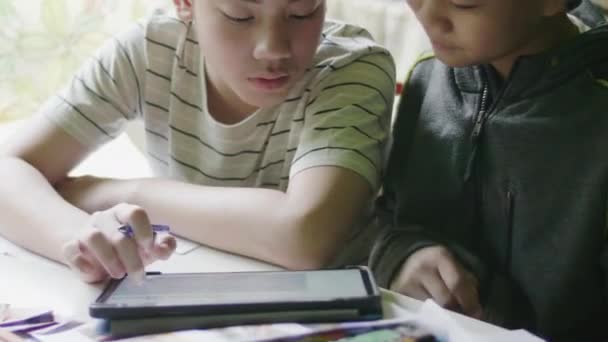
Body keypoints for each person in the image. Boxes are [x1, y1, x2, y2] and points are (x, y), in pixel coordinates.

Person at [0, 0, 395, 285]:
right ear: (184, 4)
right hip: (201, 292)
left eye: (302, 12)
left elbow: (305, 237)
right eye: (240, 15)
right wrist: (80, 239)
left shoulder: (351, 68)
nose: (274, 48)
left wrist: (117, 193)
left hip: (336, 304)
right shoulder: (152, 48)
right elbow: (8, 171)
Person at [369, 0, 608, 340]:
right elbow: (391, 217)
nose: (428, 16)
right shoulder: (427, 75)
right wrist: (402, 257)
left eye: (464, 3)